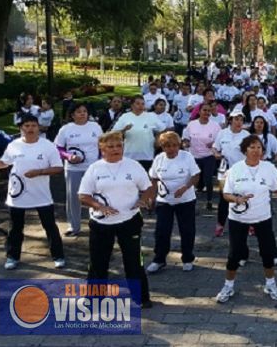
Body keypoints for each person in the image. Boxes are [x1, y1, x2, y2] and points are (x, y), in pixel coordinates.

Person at [78, 131, 154, 308]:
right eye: (110, 146)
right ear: (102, 148)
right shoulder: (94, 168)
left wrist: (143, 200)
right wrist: (99, 206)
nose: (115, 149)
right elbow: (83, 196)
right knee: (98, 261)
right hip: (101, 223)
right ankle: (95, 297)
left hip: (129, 221)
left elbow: (149, 187)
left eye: (119, 145)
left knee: (134, 260)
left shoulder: (133, 166)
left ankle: (141, 298)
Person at [216, 135, 277, 303]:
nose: (256, 151)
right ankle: (228, 286)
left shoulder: (268, 167)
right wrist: (237, 199)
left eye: (259, 147)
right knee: (234, 254)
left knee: (267, 252)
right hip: (238, 217)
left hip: (262, 217)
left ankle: (270, 284)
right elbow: (226, 193)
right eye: (252, 147)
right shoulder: (235, 169)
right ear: (245, 151)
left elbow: (276, 186)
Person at [0, 115, 65, 270]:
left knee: (50, 226)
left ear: (38, 128)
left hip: (41, 195)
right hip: (17, 195)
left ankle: (58, 256)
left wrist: (40, 172)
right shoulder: (14, 145)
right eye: (26, 126)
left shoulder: (48, 146)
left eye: (33, 125)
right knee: (15, 228)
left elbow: (58, 168)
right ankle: (12, 257)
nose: (30, 129)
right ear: (21, 128)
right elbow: (4, 162)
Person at [146, 132, 201, 273]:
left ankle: (188, 258)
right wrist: (151, 197)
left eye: (175, 145)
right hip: (164, 200)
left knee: (187, 230)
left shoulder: (186, 157)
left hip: (185, 200)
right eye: (167, 146)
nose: (171, 149)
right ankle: (159, 259)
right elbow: (154, 179)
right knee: (162, 230)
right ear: (162, 147)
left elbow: (196, 175)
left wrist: (186, 187)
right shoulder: (159, 159)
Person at [54, 103, 102, 236]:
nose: (82, 114)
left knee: (96, 196)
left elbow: (102, 145)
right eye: (79, 111)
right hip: (73, 169)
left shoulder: (95, 127)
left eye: (85, 111)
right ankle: (73, 226)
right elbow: (58, 148)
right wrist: (68, 156)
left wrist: (101, 162)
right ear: (72, 115)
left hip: (93, 168)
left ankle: (98, 222)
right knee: (73, 197)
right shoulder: (66, 129)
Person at [213, 111, 251, 236]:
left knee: (245, 196)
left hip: (242, 170)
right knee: (224, 198)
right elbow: (215, 147)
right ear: (230, 120)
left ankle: (250, 224)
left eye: (241, 119)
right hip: (225, 170)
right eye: (236, 119)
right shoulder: (222, 133)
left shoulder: (246, 135)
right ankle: (220, 224)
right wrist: (216, 154)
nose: (239, 122)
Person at [183, 103, 222, 211]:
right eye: (204, 110)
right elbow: (185, 138)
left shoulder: (215, 125)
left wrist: (213, 143)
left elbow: (220, 140)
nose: (206, 113)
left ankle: (209, 201)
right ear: (199, 112)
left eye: (209, 111)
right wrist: (186, 143)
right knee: (194, 180)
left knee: (208, 178)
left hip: (208, 155)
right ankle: (191, 201)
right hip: (194, 156)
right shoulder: (192, 124)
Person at [113, 95, 167, 171]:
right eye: (138, 103)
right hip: (130, 155)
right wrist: (124, 130)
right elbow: (114, 133)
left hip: (147, 155)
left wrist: (157, 139)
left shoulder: (151, 116)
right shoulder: (125, 117)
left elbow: (163, 129)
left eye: (142, 104)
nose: (140, 106)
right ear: (132, 105)